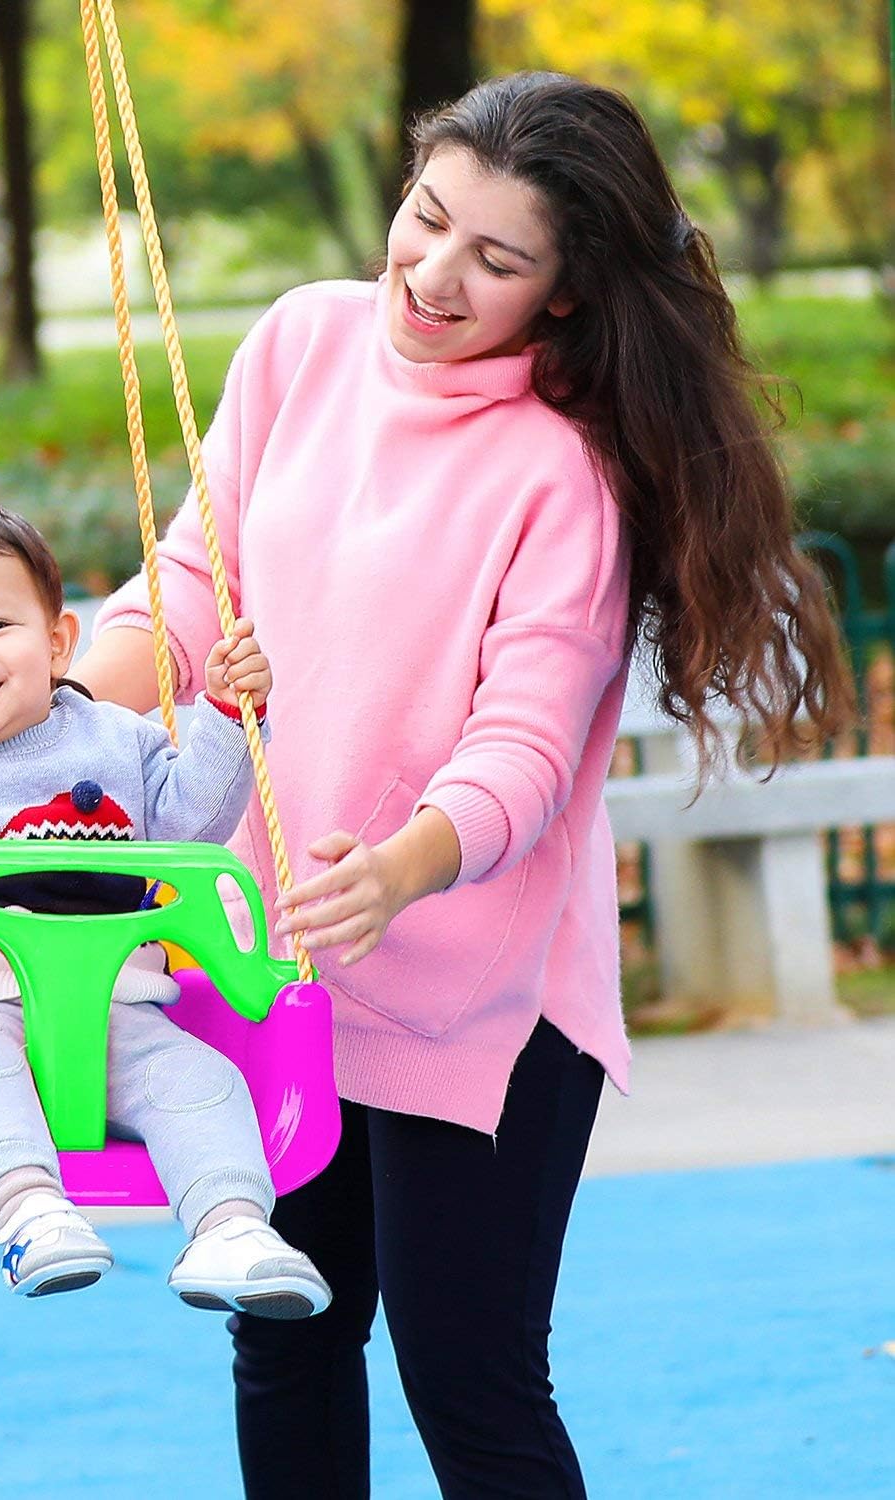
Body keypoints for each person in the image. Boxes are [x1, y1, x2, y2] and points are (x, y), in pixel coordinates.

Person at [74, 72, 853, 1499]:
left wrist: (402, 864)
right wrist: (50, 706)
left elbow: (527, 744)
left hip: (483, 999)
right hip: (279, 960)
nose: (431, 273)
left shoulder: (566, 474)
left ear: (562, 298)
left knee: (469, 1380)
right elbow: (193, 583)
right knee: (287, 1335)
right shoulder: (305, 342)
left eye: (493, 261)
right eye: (426, 219)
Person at [0, 501, 332, 1318]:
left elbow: (193, 824)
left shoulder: (121, 740)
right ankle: (30, 1214)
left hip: (123, 1010)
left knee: (203, 1080)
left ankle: (230, 1227)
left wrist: (227, 718)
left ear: (56, 643)